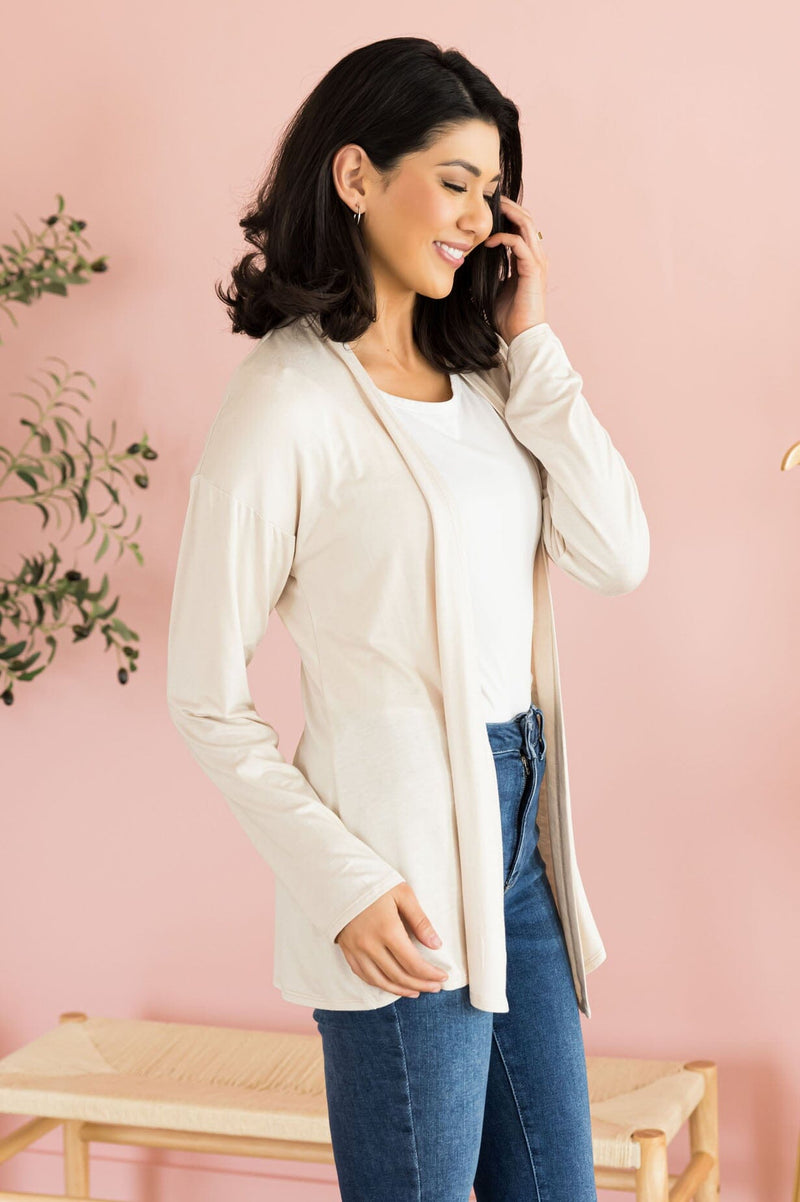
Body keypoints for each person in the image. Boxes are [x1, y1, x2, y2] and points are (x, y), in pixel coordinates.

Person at [166, 36, 649, 1202]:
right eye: (454, 181)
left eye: (493, 192)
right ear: (355, 175)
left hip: (523, 847)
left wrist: (532, 340)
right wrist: (340, 880)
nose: (478, 217)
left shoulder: (484, 382)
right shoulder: (283, 400)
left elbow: (616, 552)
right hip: (400, 874)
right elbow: (203, 695)